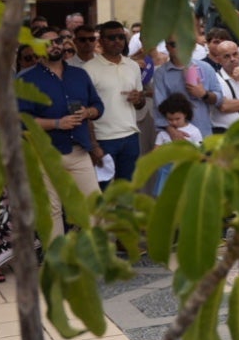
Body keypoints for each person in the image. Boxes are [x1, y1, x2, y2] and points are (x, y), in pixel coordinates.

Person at [17, 28, 104, 232]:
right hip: (44, 152)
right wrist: (57, 123)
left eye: (56, 41)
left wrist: (87, 113)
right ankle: (55, 261)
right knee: (51, 210)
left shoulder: (79, 74)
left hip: (79, 150)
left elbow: (98, 106)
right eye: (46, 43)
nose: (54, 45)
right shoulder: (26, 79)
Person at [82, 21, 146, 185]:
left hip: (130, 137)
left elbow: (140, 103)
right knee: (100, 192)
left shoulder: (132, 66)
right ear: (101, 41)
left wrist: (139, 99)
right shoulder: (88, 69)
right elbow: (84, 111)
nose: (117, 41)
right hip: (103, 139)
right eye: (111, 37)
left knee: (126, 191)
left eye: (121, 37)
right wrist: (93, 145)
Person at [208, 39, 239, 131]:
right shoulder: (214, 79)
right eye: (227, 56)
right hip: (226, 132)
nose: (232, 59)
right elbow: (224, 106)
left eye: (235, 54)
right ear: (218, 59)